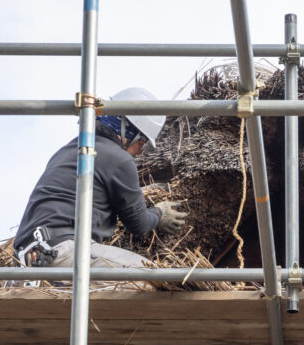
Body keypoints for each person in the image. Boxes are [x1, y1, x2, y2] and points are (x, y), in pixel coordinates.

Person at [13, 87, 185, 275]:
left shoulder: (71, 150)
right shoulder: (119, 158)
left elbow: (89, 193)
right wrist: (159, 213)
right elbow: (139, 224)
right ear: (127, 131)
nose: (138, 152)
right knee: (152, 276)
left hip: (27, 255)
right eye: (141, 143)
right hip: (63, 249)